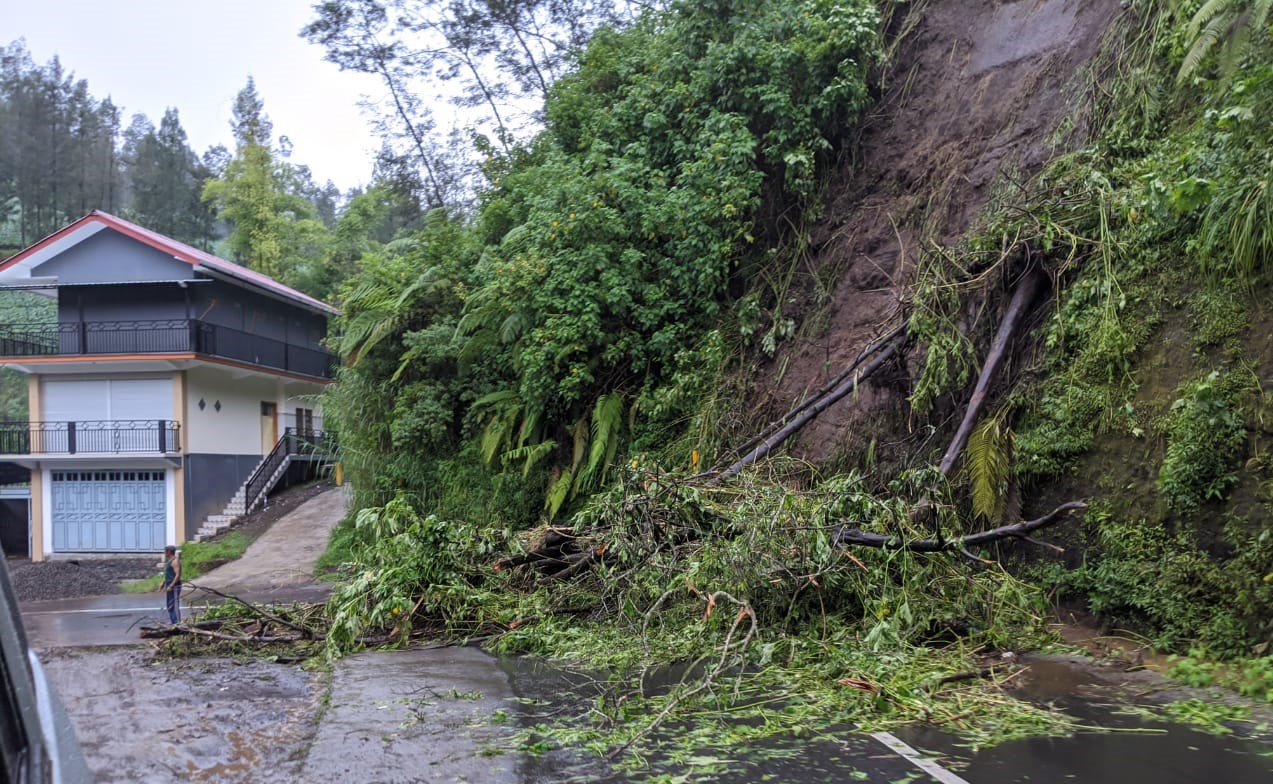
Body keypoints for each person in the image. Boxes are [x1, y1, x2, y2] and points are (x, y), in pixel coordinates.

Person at [160, 545, 182, 624]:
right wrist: (163, 583)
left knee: (174, 606)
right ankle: (173, 622)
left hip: (174, 587)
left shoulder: (175, 561)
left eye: (165, 551)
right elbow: (168, 574)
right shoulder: (169, 561)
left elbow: (177, 575)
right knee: (169, 605)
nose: (164, 553)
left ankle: (178, 623)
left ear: (169, 552)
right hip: (169, 586)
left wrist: (171, 586)